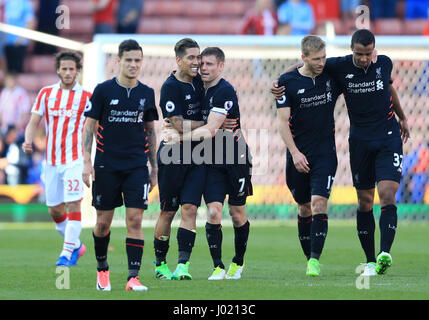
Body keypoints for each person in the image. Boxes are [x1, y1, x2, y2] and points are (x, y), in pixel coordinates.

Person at [272, 29, 410, 276]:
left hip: (387, 138)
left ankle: (384, 253)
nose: (364, 59)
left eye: (368, 54)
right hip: (359, 142)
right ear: (351, 50)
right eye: (359, 54)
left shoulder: (384, 63)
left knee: (387, 193)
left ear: (374, 51)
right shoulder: (338, 67)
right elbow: (311, 63)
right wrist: (283, 79)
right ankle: (369, 261)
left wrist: (402, 117)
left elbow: (390, 90)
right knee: (364, 201)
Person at [164, 47, 253, 280]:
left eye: (210, 64)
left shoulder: (224, 91)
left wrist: (178, 136)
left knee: (236, 213)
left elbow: (211, 130)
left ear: (221, 66)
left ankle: (239, 262)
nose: (203, 68)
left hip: (235, 158)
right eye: (202, 64)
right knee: (213, 211)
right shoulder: (197, 88)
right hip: (212, 160)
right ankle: (218, 267)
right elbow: (176, 79)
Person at [82, 39, 159, 291]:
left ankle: (133, 278)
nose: (133, 64)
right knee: (103, 223)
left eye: (137, 60)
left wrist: (154, 167)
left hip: (137, 166)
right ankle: (102, 270)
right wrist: (86, 162)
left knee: (135, 220)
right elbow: (89, 127)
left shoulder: (146, 93)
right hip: (106, 165)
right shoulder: (103, 90)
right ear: (119, 61)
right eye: (129, 60)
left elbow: (150, 132)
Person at [276, 36, 340, 276]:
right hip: (298, 154)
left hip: (325, 153)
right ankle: (308, 256)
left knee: (318, 203)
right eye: (316, 59)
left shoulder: (332, 75)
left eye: (324, 57)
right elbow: (282, 123)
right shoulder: (286, 82)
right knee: (304, 207)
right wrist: (295, 153)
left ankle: (314, 260)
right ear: (303, 57)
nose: (322, 62)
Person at [22, 51, 90, 266]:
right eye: (65, 69)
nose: (68, 72)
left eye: (72, 69)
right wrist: (28, 140)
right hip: (51, 161)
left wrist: (90, 161)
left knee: (73, 206)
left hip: (74, 160)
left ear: (77, 70)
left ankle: (66, 253)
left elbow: (92, 129)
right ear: (58, 70)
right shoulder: (46, 94)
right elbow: (34, 121)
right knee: (54, 210)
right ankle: (77, 246)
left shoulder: (87, 97)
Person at [153, 38, 205, 281]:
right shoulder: (171, 87)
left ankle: (183, 265)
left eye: (198, 57)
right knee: (168, 210)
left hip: (198, 154)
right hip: (173, 154)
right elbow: (177, 124)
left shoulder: (200, 83)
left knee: (190, 208)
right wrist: (208, 123)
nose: (196, 62)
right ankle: (160, 263)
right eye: (191, 58)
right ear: (179, 60)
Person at [4, 0, 35, 73]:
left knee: (17, 70)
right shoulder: (6, 3)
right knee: (8, 70)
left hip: (19, 43)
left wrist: (20, 39)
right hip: (6, 41)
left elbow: (30, 23)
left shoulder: (25, 3)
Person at [0, 72, 30, 138]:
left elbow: (25, 110)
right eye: (8, 81)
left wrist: (19, 124)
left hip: (17, 127)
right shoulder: (4, 93)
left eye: (11, 80)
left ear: (15, 81)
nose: (10, 83)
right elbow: (1, 110)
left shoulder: (21, 93)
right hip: (5, 127)